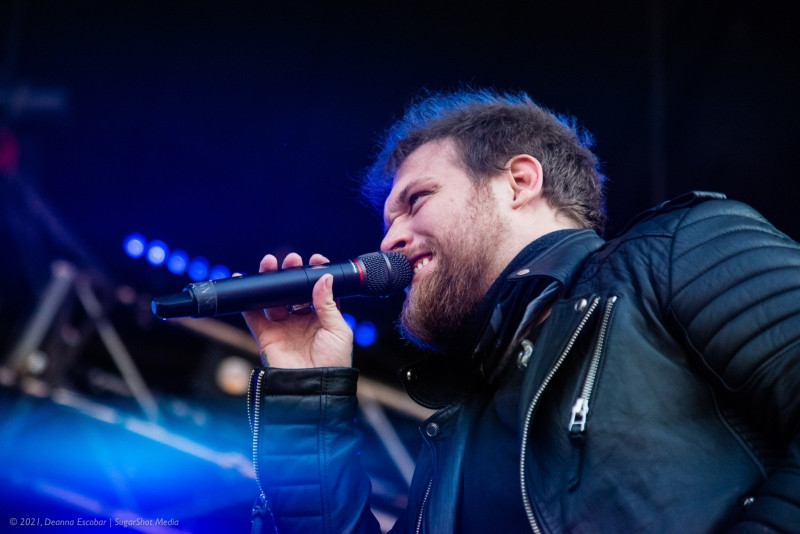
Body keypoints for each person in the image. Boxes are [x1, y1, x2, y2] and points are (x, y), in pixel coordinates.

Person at [243, 88, 800, 533]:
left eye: (416, 201)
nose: (391, 239)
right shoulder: (453, 440)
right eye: (387, 221)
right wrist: (303, 394)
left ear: (519, 181)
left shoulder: (680, 249)